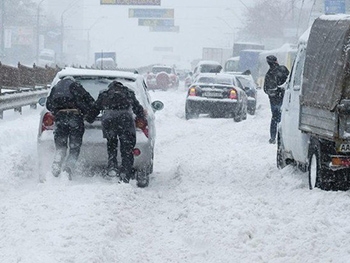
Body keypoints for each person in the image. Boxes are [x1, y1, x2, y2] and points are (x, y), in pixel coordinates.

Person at [87, 80, 146, 183]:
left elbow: (95, 109)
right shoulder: (128, 92)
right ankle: (125, 173)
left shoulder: (104, 94)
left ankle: (112, 167)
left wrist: (88, 118)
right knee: (127, 149)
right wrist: (142, 115)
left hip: (109, 121)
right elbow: (137, 109)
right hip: (126, 121)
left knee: (111, 145)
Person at [46, 76, 95, 179]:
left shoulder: (56, 87)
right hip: (75, 117)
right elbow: (90, 100)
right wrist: (86, 112)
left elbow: (48, 104)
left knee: (61, 146)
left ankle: (57, 163)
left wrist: (57, 111)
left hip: (60, 118)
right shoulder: (76, 86)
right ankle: (68, 169)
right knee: (74, 147)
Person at [263, 55, 289, 144]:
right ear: (276, 61)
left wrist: (272, 94)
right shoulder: (283, 69)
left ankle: (273, 137)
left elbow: (265, 89)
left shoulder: (268, 74)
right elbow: (289, 81)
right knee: (283, 118)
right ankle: (283, 137)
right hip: (283, 98)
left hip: (273, 100)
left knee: (274, 118)